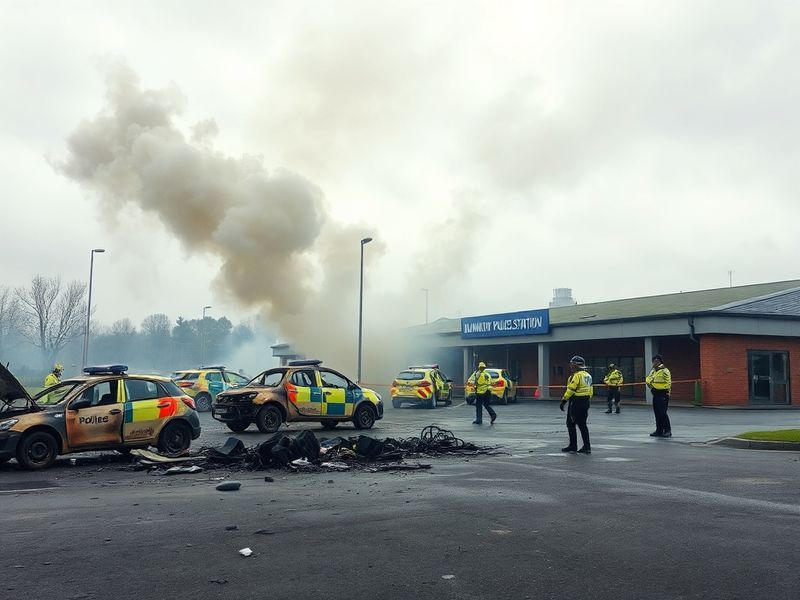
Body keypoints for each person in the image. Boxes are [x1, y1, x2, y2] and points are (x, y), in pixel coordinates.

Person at [560, 355, 592, 454]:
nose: (570, 366)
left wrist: (564, 401)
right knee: (583, 425)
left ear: (576, 365)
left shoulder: (577, 375)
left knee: (570, 423)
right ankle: (586, 446)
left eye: (572, 364)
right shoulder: (587, 375)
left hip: (576, 401)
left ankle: (573, 445)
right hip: (585, 401)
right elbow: (590, 389)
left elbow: (571, 389)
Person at [646, 354, 672, 437]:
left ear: (660, 361)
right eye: (654, 361)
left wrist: (666, 390)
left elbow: (668, 382)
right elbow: (648, 378)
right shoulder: (653, 370)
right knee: (657, 413)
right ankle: (659, 430)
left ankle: (667, 430)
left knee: (663, 413)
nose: (655, 362)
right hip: (655, 393)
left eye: (656, 361)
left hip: (663, 393)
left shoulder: (665, 370)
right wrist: (650, 384)